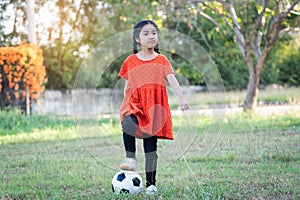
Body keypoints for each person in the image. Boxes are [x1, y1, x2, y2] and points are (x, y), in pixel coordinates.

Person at [118, 20, 189, 195]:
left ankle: (151, 185)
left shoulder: (162, 60)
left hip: (154, 108)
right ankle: (130, 157)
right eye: (146, 33)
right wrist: (124, 105)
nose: (151, 37)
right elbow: (127, 85)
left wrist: (182, 99)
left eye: (154, 33)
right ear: (137, 39)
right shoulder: (131, 61)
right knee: (128, 122)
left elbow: (172, 80)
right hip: (134, 102)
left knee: (151, 147)